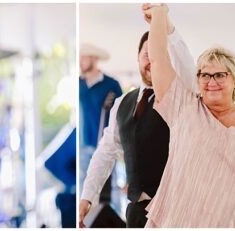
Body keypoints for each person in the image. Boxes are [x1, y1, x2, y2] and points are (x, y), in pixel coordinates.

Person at [143, 4, 235, 227]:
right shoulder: (183, 107)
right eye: (205, 75)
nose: (211, 82)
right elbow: (158, 60)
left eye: (220, 75)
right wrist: (159, 16)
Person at [78, 7, 199, 226]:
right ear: (137, 58)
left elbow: (187, 65)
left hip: (175, 210)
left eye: (157, 56)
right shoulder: (121, 104)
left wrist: (166, 26)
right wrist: (87, 195)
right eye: (147, 55)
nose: (152, 61)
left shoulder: (180, 95)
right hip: (136, 211)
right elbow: (105, 152)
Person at [78, 43, 123, 209]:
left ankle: (115, 221)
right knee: (85, 190)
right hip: (83, 146)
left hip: (105, 146)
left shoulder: (111, 85)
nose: (81, 61)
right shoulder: (78, 84)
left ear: (94, 59)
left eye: (84, 58)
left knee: (110, 187)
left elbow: (121, 116)